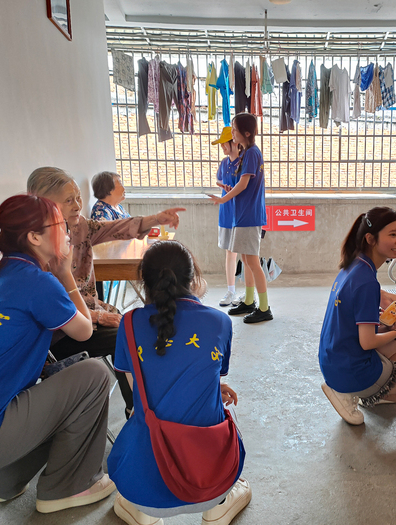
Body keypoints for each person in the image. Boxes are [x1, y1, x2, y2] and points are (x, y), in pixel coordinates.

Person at [0, 194, 116, 513]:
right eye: (60, 224)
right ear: (34, 237)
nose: (67, 232)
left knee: (52, 393)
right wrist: (64, 273)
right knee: (94, 375)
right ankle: (68, 488)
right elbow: (84, 331)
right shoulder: (37, 281)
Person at [108, 240, 251, 525]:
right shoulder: (220, 322)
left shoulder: (129, 323)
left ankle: (142, 513)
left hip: (143, 494)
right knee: (226, 413)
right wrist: (210, 389)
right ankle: (219, 507)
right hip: (211, 486)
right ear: (193, 278)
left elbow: (139, 389)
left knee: (139, 416)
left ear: (145, 281)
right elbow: (210, 371)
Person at [27, 166, 185, 418]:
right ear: (43, 204)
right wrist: (99, 316)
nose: (78, 205)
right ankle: (139, 413)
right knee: (127, 336)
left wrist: (156, 219)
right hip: (60, 333)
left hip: (87, 316)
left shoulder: (78, 227)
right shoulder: (38, 248)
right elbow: (54, 309)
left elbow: (114, 228)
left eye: (78, 198)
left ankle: (147, 404)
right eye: (69, 201)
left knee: (133, 328)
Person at [318, 207, 396, 426]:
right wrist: (395, 332)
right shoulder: (367, 282)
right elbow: (367, 342)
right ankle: (349, 392)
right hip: (349, 368)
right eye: (393, 234)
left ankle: (371, 391)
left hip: (335, 358)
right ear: (371, 239)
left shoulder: (355, 265)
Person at [209, 113, 272, 323]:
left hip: (249, 215)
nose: (232, 133)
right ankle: (249, 301)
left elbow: (244, 184)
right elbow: (241, 184)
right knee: (246, 260)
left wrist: (223, 199)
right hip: (243, 215)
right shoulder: (246, 153)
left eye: (235, 129)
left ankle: (264, 308)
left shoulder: (252, 152)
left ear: (246, 133)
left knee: (252, 261)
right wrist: (229, 189)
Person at [212, 126, 242, 307]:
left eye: (225, 143)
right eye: (221, 144)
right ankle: (231, 290)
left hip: (242, 213)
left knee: (246, 254)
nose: (222, 147)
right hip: (226, 212)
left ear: (234, 142)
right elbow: (219, 179)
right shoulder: (224, 163)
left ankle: (249, 293)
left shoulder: (244, 162)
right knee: (230, 253)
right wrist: (224, 186)